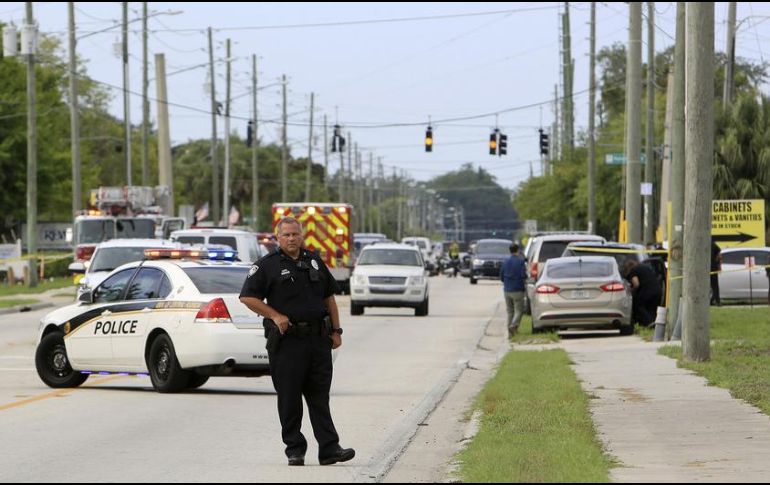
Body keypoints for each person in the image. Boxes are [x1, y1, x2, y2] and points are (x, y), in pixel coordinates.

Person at [239, 217, 354, 467]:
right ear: (277, 238)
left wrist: (337, 331)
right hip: (287, 343)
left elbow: (329, 298)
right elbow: (247, 297)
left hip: (317, 340)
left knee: (319, 397)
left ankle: (329, 449)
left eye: (295, 234)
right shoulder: (267, 265)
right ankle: (295, 449)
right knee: (290, 399)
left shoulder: (312, 260)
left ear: (302, 236)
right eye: (287, 235)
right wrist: (275, 315)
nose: (292, 239)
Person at [623, 259, 663, 328]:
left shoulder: (633, 271)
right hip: (658, 290)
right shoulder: (646, 267)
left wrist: (631, 290)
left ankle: (649, 323)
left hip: (647, 291)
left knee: (639, 306)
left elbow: (636, 284)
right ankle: (655, 325)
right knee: (652, 309)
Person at [501, 243, 527, 338]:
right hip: (518, 289)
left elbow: (501, 276)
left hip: (507, 289)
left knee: (510, 312)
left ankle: (510, 334)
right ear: (518, 250)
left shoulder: (505, 261)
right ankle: (513, 326)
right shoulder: (520, 262)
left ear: (510, 250)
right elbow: (523, 275)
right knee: (519, 311)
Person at [710, 239, 722, 306]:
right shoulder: (713, 244)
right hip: (712, 267)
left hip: (707, 268)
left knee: (713, 286)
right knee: (714, 286)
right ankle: (716, 301)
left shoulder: (702, 243)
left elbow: (719, 255)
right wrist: (719, 265)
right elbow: (719, 255)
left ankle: (715, 301)